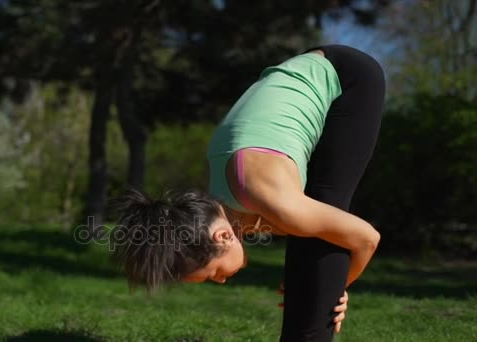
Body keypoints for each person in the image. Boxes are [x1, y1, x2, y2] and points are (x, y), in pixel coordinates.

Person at [112, 44, 385, 342]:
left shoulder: (268, 196)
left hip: (347, 78)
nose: (220, 281)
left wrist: (337, 288)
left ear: (221, 236)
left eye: (212, 273)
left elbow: (366, 237)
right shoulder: (225, 200)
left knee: (322, 218)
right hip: (308, 67)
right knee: (309, 227)